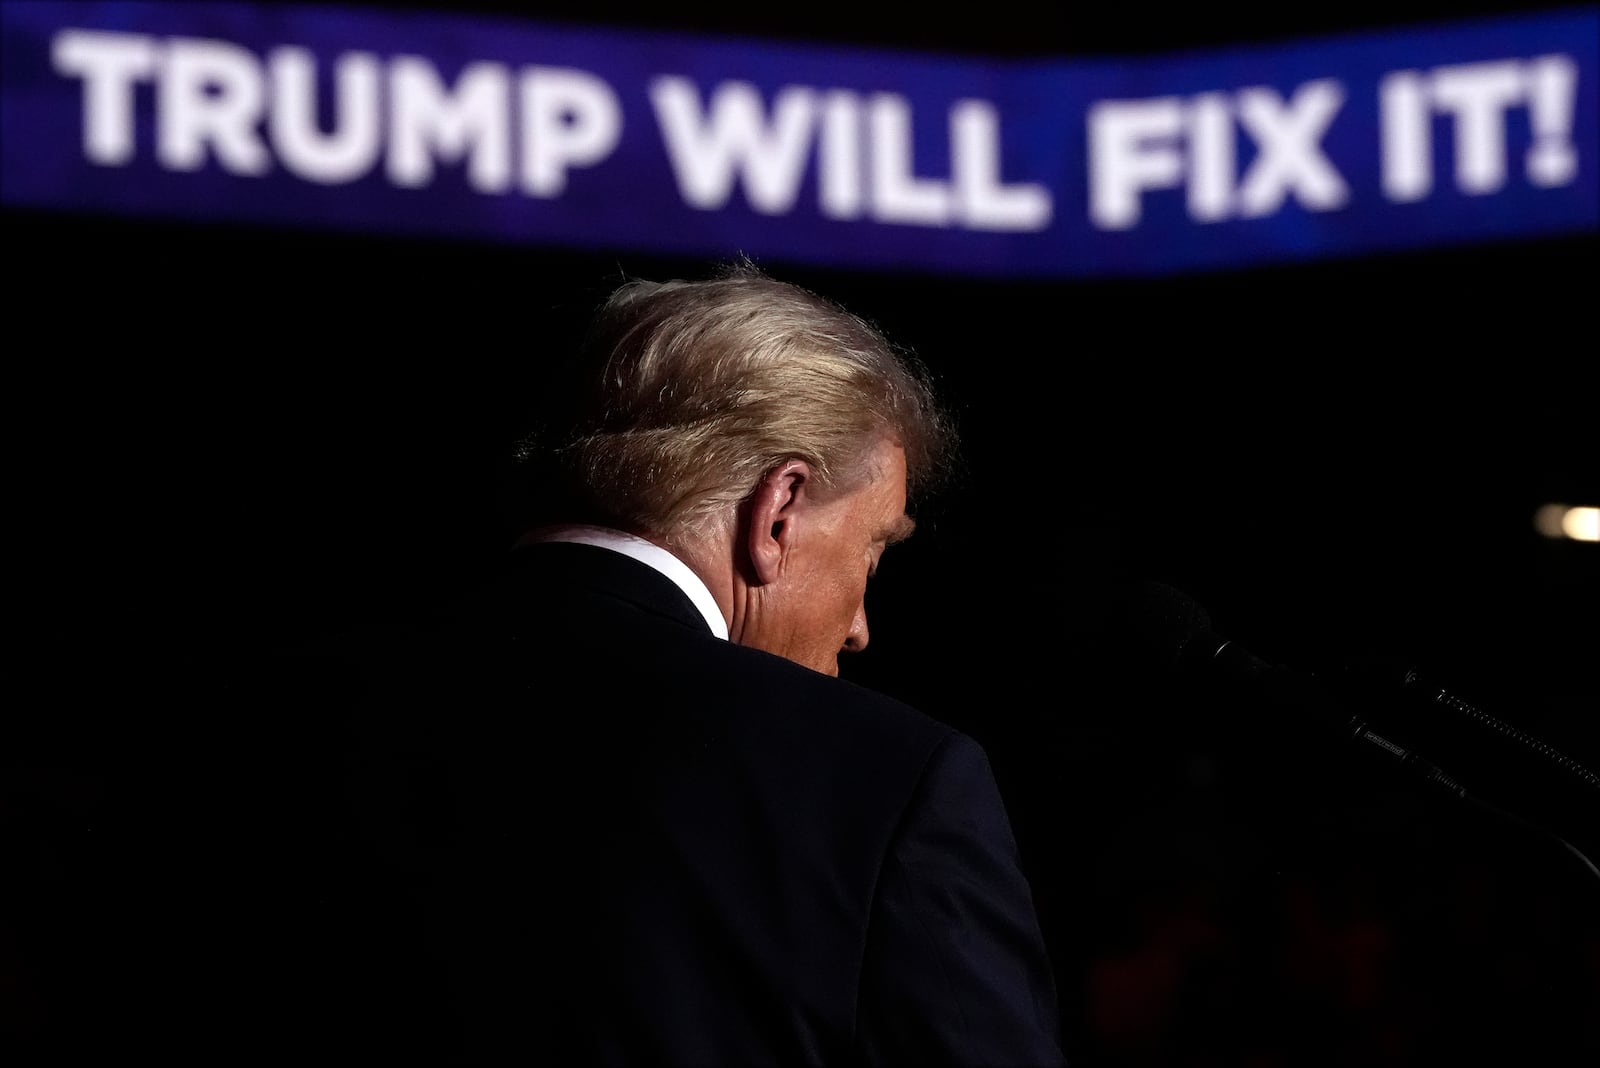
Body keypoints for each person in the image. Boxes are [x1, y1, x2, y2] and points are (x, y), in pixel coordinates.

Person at [342, 258, 1071, 1066]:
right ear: (780, 508)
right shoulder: (885, 781)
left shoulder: (288, 698)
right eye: (872, 552)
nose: (861, 626)